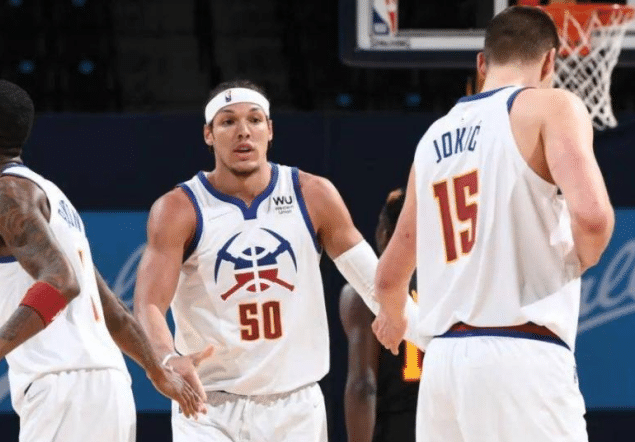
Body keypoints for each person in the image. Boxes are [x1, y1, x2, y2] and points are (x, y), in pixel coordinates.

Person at [373, 6, 614, 442]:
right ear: (550, 62)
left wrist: (392, 318)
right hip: (520, 356)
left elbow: (390, 274)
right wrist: (581, 259)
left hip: (442, 370)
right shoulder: (551, 106)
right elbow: (594, 219)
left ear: (482, 64)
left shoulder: (433, 138)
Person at [133, 79, 421, 441]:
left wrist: (435, 340)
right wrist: (166, 358)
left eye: (254, 120)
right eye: (228, 121)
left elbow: (373, 281)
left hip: (294, 407)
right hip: (209, 405)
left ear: (269, 130)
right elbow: (148, 304)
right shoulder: (179, 209)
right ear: (208, 134)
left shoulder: (313, 194)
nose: (243, 131)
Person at [0, 78, 206, 441]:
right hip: (109, 386)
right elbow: (113, 310)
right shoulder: (51, 195)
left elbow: (62, 282)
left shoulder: (2, 193)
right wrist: (158, 373)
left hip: (63, 388)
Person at [339, 188, 422, 442]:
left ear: (385, 235)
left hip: (395, 428)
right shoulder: (448, 285)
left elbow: (363, 385)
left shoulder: (361, 294)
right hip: (440, 423)